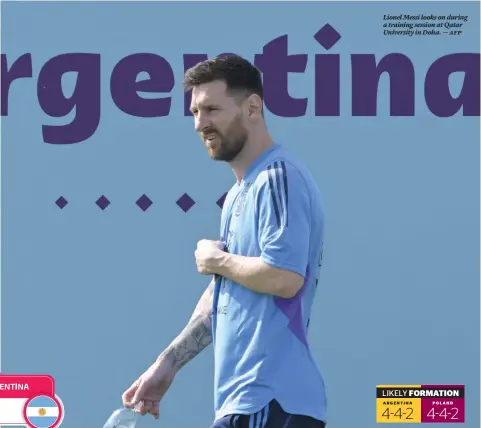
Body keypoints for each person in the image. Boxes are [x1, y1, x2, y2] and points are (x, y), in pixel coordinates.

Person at [122, 55, 327, 428]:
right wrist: (167, 364)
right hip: (243, 403)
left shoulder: (278, 177)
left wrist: (215, 261)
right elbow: (225, 291)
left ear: (252, 107)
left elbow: (284, 277)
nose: (201, 123)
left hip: (272, 399)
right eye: (195, 112)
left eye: (212, 109)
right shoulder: (238, 194)